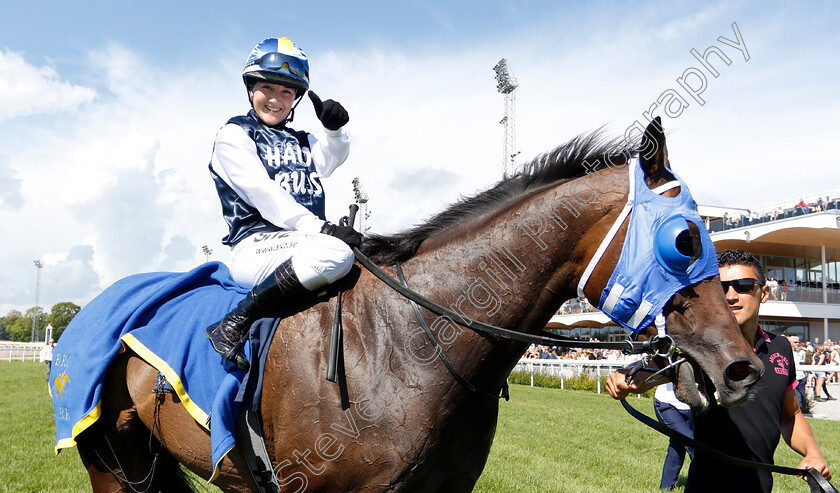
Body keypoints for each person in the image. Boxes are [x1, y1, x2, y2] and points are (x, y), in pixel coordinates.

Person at [606, 249, 831, 492]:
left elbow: (791, 415)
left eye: (743, 285)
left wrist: (813, 453)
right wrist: (629, 379)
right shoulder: (700, 347)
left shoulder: (781, 347)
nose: (731, 296)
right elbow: (656, 370)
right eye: (723, 288)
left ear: (763, 292)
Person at [205, 37, 360, 370]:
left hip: (304, 242)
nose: (276, 99)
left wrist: (334, 131)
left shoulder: (303, 140)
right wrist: (321, 228)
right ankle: (234, 321)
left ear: (296, 99)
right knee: (337, 253)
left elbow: (331, 161)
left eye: (287, 92)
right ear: (251, 88)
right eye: (267, 87)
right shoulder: (234, 134)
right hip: (256, 245)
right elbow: (264, 194)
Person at [654, 382, 695, 490]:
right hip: (667, 405)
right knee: (693, 445)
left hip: (692, 408)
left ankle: (665, 488)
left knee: (677, 446)